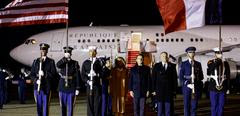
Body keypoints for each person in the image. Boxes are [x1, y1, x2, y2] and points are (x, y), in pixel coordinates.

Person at [30, 43, 57, 116]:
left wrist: (45, 73)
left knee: (45, 107)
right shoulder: (36, 61)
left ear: (47, 51)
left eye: (44, 50)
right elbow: (31, 74)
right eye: (42, 50)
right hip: (37, 87)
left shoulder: (51, 61)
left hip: (46, 87)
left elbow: (54, 74)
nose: (43, 51)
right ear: (40, 50)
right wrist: (36, 80)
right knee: (38, 106)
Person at [81, 46, 109, 116]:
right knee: (89, 104)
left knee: (97, 103)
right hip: (89, 85)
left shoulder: (99, 62)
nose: (92, 53)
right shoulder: (86, 62)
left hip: (97, 85)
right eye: (90, 51)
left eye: (93, 51)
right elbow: (83, 75)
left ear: (96, 52)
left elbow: (104, 73)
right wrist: (87, 81)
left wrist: (97, 74)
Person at [56, 46, 81, 116]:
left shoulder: (75, 63)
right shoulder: (62, 62)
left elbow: (77, 76)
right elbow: (57, 65)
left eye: (69, 52)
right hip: (62, 87)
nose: (68, 53)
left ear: (71, 53)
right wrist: (64, 59)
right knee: (62, 107)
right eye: (66, 52)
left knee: (70, 108)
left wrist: (78, 88)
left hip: (71, 87)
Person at [179, 46, 204, 116]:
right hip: (187, 87)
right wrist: (187, 83)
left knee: (194, 105)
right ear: (187, 54)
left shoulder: (198, 64)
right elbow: (181, 76)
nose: (192, 54)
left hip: (195, 87)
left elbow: (201, 76)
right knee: (186, 105)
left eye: (193, 52)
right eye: (190, 52)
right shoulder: (184, 64)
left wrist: (196, 78)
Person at [152, 52, 178, 116]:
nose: (164, 57)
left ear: (168, 57)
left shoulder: (172, 66)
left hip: (169, 91)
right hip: (159, 91)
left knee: (168, 110)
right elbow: (153, 79)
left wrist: (174, 91)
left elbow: (174, 79)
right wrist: (153, 90)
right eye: (163, 56)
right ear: (160, 57)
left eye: (166, 56)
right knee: (160, 110)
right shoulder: (156, 66)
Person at [207, 48, 230, 116]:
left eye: (220, 53)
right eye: (218, 53)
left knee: (221, 105)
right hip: (213, 87)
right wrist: (217, 62)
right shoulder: (210, 62)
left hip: (223, 86)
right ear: (215, 54)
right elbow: (210, 68)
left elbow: (228, 76)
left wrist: (228, 87)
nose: (219, 55)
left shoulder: (225, 63)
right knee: (214, 105)